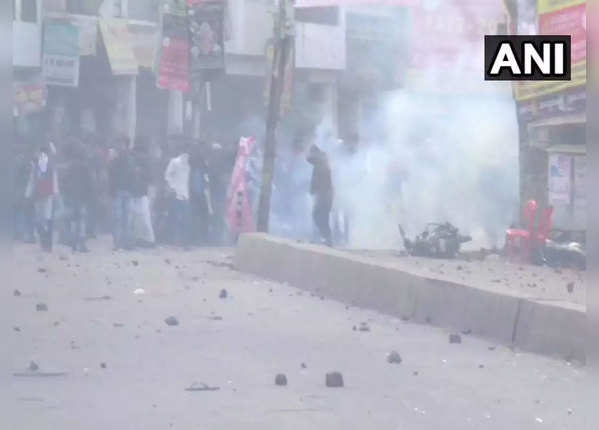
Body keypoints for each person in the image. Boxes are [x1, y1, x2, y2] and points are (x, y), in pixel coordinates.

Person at [26, 144, 59, 252]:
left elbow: (53, 179)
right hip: (41, 195)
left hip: (45, 195)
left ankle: (46, 243)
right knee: (43, 219)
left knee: (45, 218)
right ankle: (45, 243)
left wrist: (55, 192)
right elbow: (32, 180)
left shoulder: (48, 166)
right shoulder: (37, 166)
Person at [61, 141, 93, 252]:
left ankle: (72, 241)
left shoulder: (69, 166)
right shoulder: (86, 167)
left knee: (71, 220)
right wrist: (89, 195)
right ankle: (82, 244)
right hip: (82, 197)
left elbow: (64, 181)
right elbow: (90, 183)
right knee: (81, 221)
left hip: (71, 196)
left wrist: (65, 192)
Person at [108, 137, 135, 250]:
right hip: (123, 190)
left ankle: (121, 243)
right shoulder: (129, 158)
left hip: (123, 190)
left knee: (121, 218)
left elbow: (112, 173)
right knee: (123, 218)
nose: (120, 146)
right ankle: (122, 243)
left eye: (121, 143)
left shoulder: (121, 158)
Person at [130, 137, 156, 247]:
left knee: (142, 216)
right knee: (139, 217)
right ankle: (141, 238)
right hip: (137, 192)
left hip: (141, 192)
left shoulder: (144, 162)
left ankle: (147, 239)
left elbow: (150, 177)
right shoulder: (136, 161)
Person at [164, 144, 191, 247]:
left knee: (185, 219)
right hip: (176, 194)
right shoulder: (175, 162)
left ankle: (183, 241)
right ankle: (174, 240)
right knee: (176, 218)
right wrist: (172, 188)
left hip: (186, 194)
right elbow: (167, 175)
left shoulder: (189, 164)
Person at [307, 144, 334, 247]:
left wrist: (314, 190)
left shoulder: (321, 163)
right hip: (324, 194)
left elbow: (309, 158)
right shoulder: (322, 162)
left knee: (319, 216)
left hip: (324, 195)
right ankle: (326, 238)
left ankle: (327, 238)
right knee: (320, 216)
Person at [189, 143, 211, 245]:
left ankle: (201, 238)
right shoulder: (194, 162)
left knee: (201, 216)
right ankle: (195, 238)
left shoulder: (203, 163)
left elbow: (206, 179)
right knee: (195, 216)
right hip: (195, 193)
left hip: (201, 193)